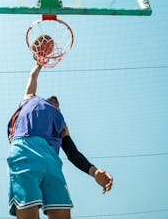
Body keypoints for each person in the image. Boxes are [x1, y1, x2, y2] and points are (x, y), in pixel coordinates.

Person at [7, 61, 113, 219]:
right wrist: (39, 62)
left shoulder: (61, 123)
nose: (53, 99)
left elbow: (72, 152)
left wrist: (94, 171)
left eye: (56, 101)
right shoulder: (29, 98)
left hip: (52, 160)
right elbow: (32, 76)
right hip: (25, 149)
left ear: (58, 108)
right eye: (51, 98)